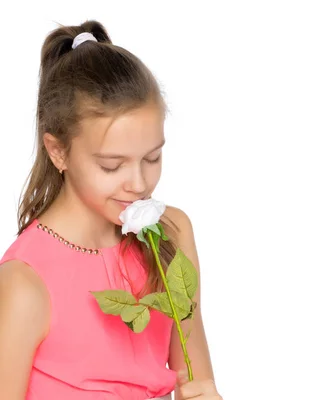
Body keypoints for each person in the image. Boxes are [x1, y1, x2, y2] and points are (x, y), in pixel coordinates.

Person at [0, 20, 223, 400]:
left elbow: (196, 380)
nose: (139, 184)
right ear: (58, 151)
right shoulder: (25, 284)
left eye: (152, 157)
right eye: (111, 165)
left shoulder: (172, 233)